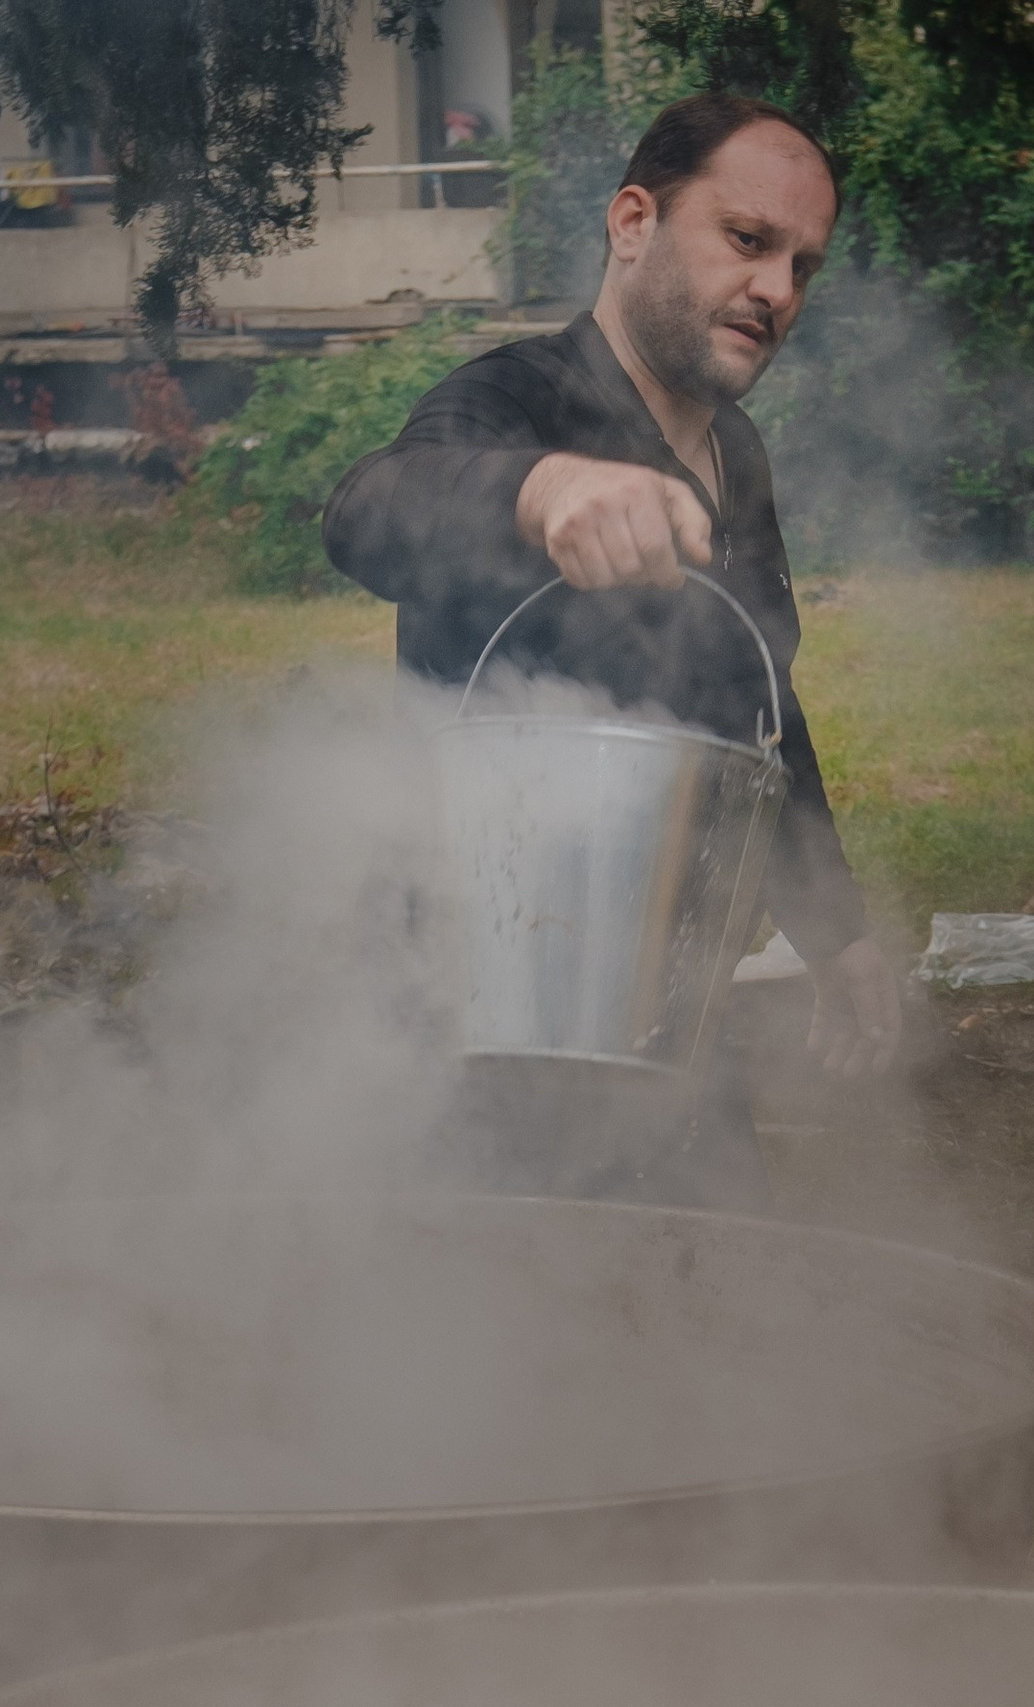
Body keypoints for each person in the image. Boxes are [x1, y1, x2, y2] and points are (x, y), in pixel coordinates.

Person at [324, 91, 901, 1166]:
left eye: (803, 266)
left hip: (668, 1012)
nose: (777, 291)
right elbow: (368, 508)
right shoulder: (514, 398)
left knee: (714, 1250)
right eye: (747, 240)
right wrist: (541, 490)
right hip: (475, 1028)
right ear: (634, 223)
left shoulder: (737, 454)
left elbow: (759, 709)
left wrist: (835, 933)